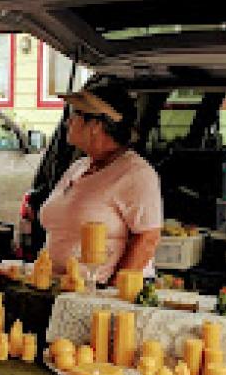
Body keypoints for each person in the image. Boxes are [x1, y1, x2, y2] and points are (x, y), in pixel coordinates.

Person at [38, 80, 163, 282]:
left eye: (75, 115)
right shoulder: (78, 167)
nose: (67, 122)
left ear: (96, 125)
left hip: (99, 291)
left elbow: (147, 239)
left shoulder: (135, 173)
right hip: (63, 286)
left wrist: (113, 291)